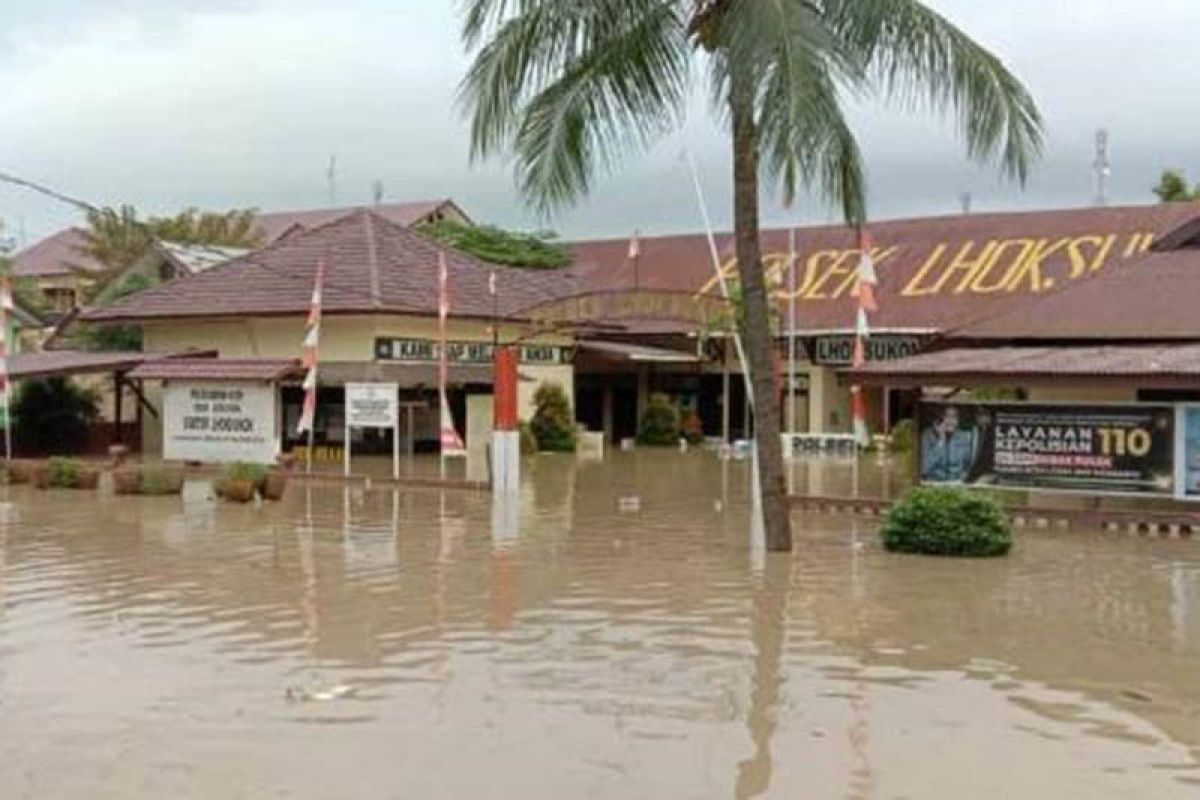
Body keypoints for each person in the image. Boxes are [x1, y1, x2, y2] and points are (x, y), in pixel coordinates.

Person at [920, 405, 979, 483]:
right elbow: (924, 468)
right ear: (940, 419)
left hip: (956, 483)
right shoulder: (927, 435)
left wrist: (961, 480)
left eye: (954, 417)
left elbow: (967, 466)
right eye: (947, 416)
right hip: (933, 482)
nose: (950, 421)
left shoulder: (963, 437)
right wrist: (941, 441)